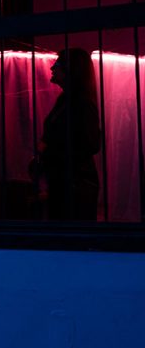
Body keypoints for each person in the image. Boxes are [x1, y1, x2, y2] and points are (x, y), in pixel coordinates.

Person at [35, 48, 101, 220]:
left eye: (57, 64)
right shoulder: (66, 100)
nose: (52, 68)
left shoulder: (81, 103)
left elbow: (91, 144)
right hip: (66, 183)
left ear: (71, 69)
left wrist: (49, 150)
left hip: (75, 186)